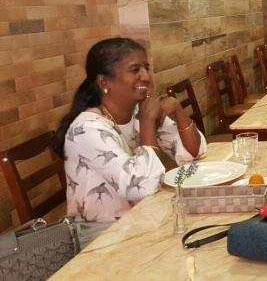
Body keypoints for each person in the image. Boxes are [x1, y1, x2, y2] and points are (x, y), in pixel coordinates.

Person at [52, 38, 207, 248]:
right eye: (135, 70)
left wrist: (177, 108)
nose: (146, 77)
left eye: (146, 68)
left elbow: (194, 152)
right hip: (103, 239)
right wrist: (147, 123)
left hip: (144, 222)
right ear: (104, 82)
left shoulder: (136, 111)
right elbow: (141, 186)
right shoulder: (88, 128)